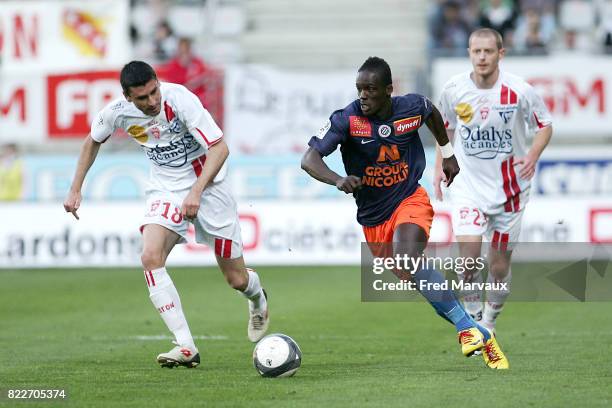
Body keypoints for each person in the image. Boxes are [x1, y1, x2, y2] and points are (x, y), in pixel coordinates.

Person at [301, 56, 509, 369]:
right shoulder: (346, 120)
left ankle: (466, 330)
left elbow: (431, 112)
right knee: (419, 279)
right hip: (373, 219)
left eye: (370, 89)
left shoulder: (410, 107)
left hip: (410, 198)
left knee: (407, 257)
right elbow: (309, 159)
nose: (363, 96)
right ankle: (479, 332)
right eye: (359, 89)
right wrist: (338, 179)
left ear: (388, 90)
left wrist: (448, 154)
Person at [63, 61, 269, 368]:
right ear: (128, 96)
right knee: (150, 256)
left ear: (159, 83)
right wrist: (75, 188)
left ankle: (257, 299)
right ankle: (186, 346)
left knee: (236, 279)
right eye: (143, 97)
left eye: (154, 91)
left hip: (211, 187)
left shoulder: (180, 99)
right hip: (166, 190)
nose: (152, 101)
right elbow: (92, 140)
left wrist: (197, 191)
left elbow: (219, 147)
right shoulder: (117, 112)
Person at [435, 28, 553, 332]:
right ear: (469, 54)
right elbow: (444, 130)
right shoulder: (454, 89)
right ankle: (473, 318)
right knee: (470, 258)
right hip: (467, 186)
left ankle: (490, 320)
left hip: (510, 191)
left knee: (499, 267)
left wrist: (533, 156)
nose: (482, 57)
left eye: (488, 51)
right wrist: (439, 167)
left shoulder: (520, 91)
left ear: (501, 54)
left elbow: (545, 125)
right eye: (476, 51)